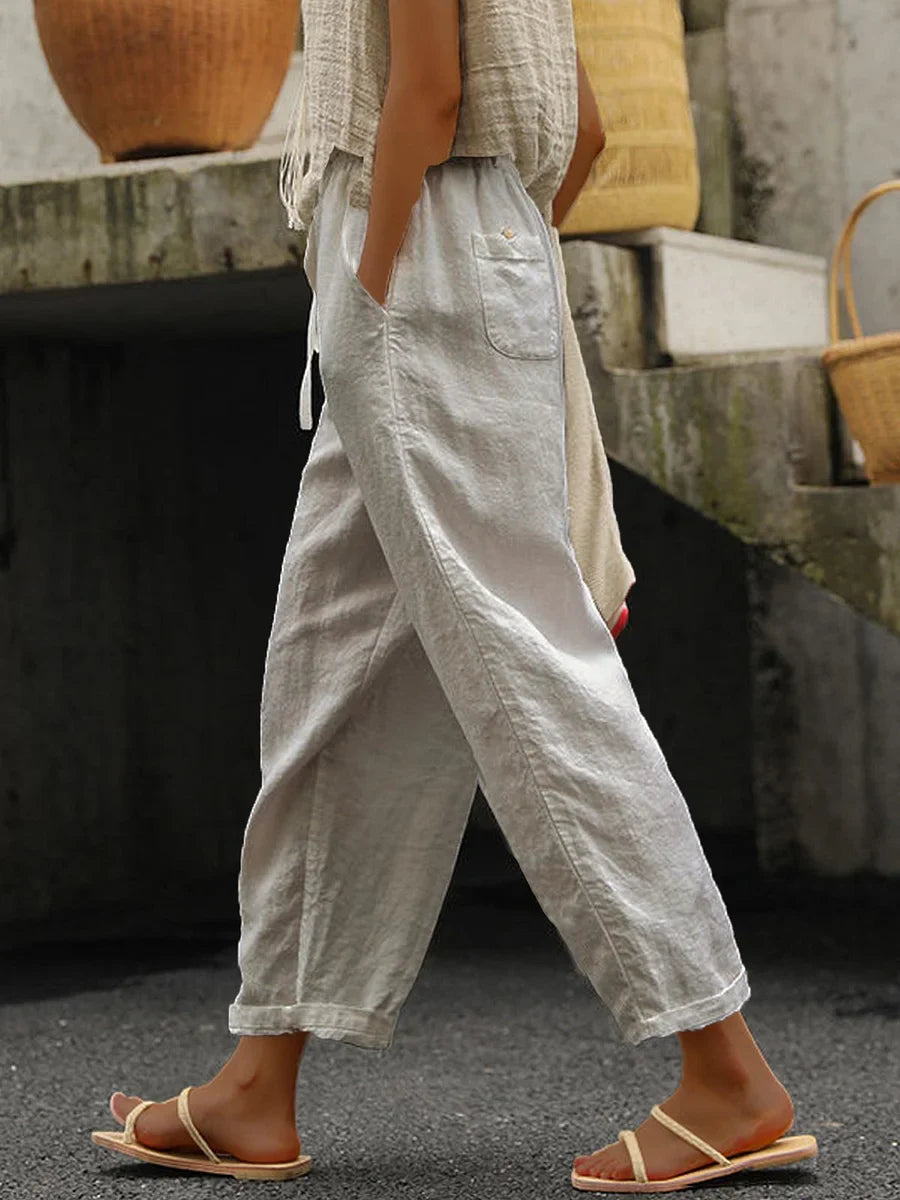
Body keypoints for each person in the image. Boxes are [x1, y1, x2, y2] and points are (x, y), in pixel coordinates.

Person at [91, 1, 818, 1190]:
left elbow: (427, 94)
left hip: (409, 269)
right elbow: (582, 127)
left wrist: (378, 278)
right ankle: (257, 1084)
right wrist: (491, 265)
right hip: (465, 251)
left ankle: (726, 1069)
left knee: (532, 679)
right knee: (332, 675)